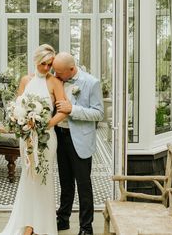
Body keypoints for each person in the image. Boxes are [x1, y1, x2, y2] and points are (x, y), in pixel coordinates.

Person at [0, 44, 67, 235]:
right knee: (29, 178)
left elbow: (63, 111)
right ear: (36, 61)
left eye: (50, 64)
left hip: (46, 139)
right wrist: (20, 122)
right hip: (27, 138)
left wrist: (46, 125)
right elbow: (17, 108)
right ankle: (28, 223)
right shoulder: (25, 80)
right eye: (43, 64)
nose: (46, 68)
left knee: (43, 179)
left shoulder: (55, 82)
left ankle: (41, 225)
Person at [52, 52, 104, 235]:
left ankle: (86, 227)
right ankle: (63, 219)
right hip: (60, 136)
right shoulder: (56, 80)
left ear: (71, 69)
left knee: (83, 185)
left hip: (80, 140)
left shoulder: (91, 82)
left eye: (58, 71)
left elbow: (98, 113)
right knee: (65, 182)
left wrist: (72, 109)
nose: (55, 74)